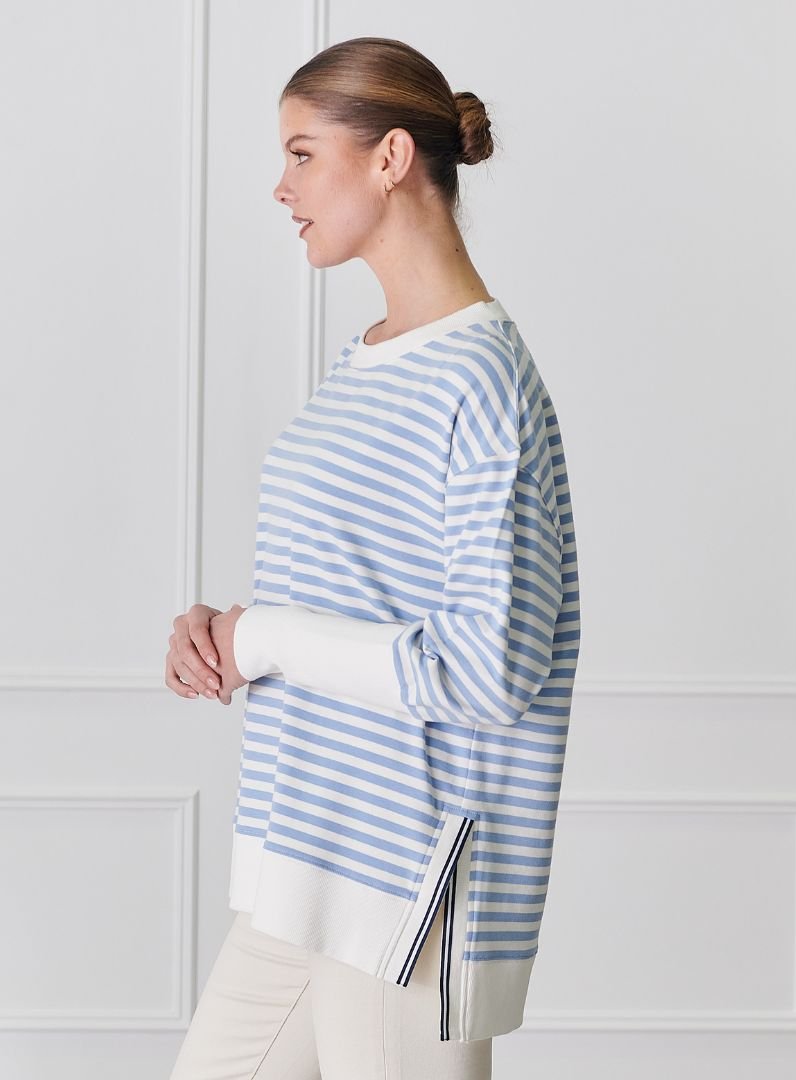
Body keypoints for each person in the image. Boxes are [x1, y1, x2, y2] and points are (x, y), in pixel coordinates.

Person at [165, 35, 581, 1080]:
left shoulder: (482, 381)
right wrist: (225, 635)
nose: (281, 186)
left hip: (407, 881)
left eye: (303, 154)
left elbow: (489, 671)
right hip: (307, 851)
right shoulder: (370, 361)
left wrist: (266, 638)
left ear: (390, 158)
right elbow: (351, 593)